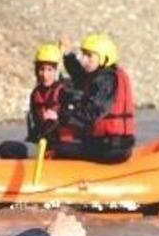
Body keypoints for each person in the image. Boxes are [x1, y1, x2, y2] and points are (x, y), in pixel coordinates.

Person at [57, 33, 136, 164]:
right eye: (83, 55)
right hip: (111, 144)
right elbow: (81, 78)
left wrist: (63, 117)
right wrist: (68, 55)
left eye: (89, 56)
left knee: (58, 147)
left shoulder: (106, 80)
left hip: (110, 147)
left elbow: (92, 113)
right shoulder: (101, 76)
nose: (84, 60)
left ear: (104, 58)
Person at [0, 43, 81, 160]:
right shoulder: (36, 94)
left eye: (49, 70)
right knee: (6, 148)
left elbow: (80, 118)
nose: (45, 75)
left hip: (63, 145)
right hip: (42, 144)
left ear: (56, 71)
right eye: (41, 69)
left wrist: (58, 117)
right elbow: (35, 126)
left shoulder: (67, 91)